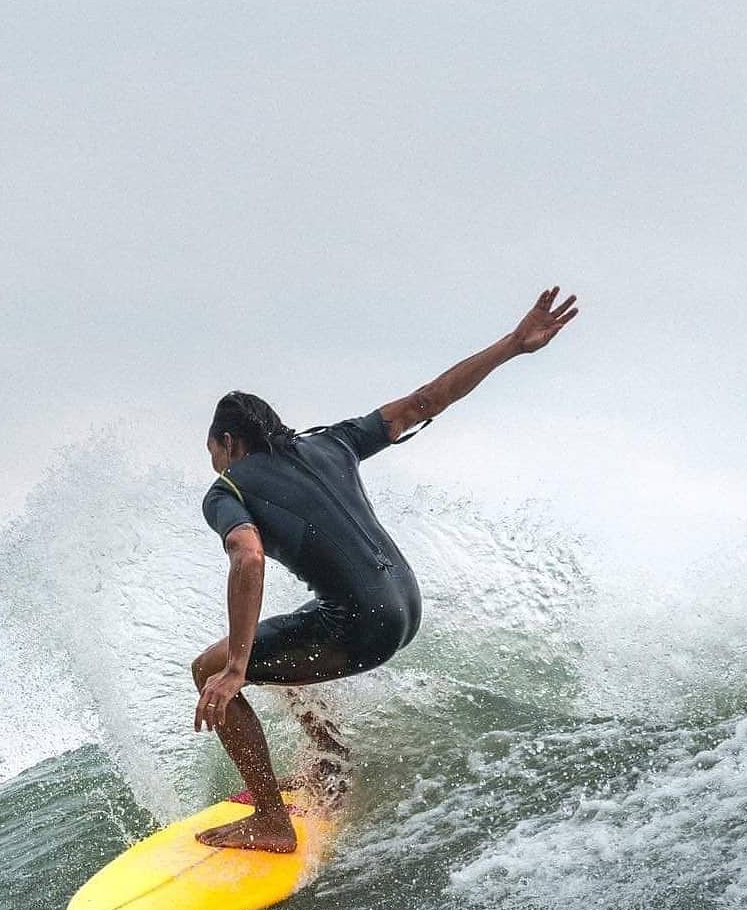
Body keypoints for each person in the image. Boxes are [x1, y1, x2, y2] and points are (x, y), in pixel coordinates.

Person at [193, 286, 579, 852]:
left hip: (360, 625)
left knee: (214, 666)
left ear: (227, 442)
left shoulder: (226, 489)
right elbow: (426, 400)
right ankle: (329, 762)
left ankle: (272, 824)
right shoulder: (333, 442)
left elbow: (248, 556)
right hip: (405, 606)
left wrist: (235, 669)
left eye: (212, 450)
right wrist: (514, 345)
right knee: (273, 641)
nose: (214, 461)